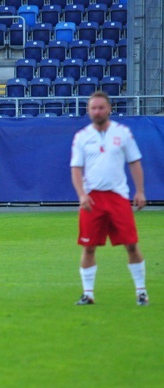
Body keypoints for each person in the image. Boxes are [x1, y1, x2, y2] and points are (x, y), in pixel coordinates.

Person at [70, 91, 148, 306]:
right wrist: (82, 195)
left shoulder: (122, 133)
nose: (97, 111)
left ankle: (141, 292)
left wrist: (140, 191)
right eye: (93, 108)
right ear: (88, 111)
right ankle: (88, 294)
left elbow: (134, 162)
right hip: (92, 199)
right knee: (89, 247)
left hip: (118, 197)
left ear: (109, 109)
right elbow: (76, 168)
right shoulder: (82, 136)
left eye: (101, 107)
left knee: (131, 244)